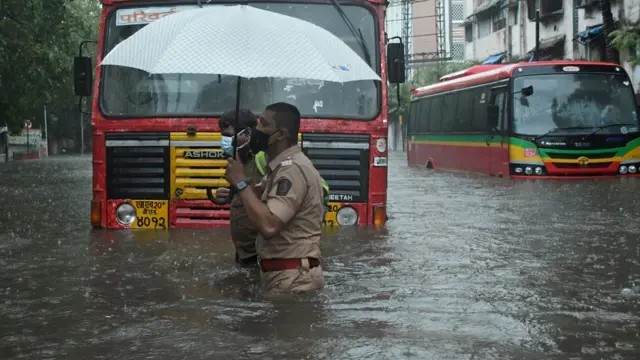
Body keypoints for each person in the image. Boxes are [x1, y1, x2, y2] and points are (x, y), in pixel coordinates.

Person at [224, 102, 325, 294]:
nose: (257, 130)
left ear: (281, 134)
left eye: (264, 125)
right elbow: (263, 200)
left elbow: (270, 225)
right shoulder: (279, 167)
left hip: (293, 279)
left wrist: (241, 183)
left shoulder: (292, 170)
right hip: (284, 275)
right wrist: (238, 188)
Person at [215, 108, 263, 266]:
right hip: (244, 254)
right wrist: (232, 194)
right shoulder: (238, 161)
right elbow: (249, 196)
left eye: (229, 136)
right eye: (222, 136)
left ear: (248, 133)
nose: (224, 141)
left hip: (261, 256)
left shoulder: (262, 160)